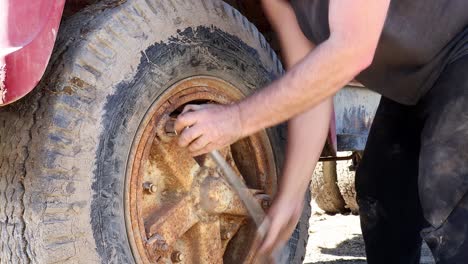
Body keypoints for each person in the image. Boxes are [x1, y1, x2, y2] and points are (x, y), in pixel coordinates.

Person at [175, 1, 468, 263]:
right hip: (416, 77)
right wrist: (290, 198)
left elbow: (352, 48)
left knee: (447, 186)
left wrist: (236, 119)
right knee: (382, 191)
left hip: (459, 47)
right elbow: (311, 91)